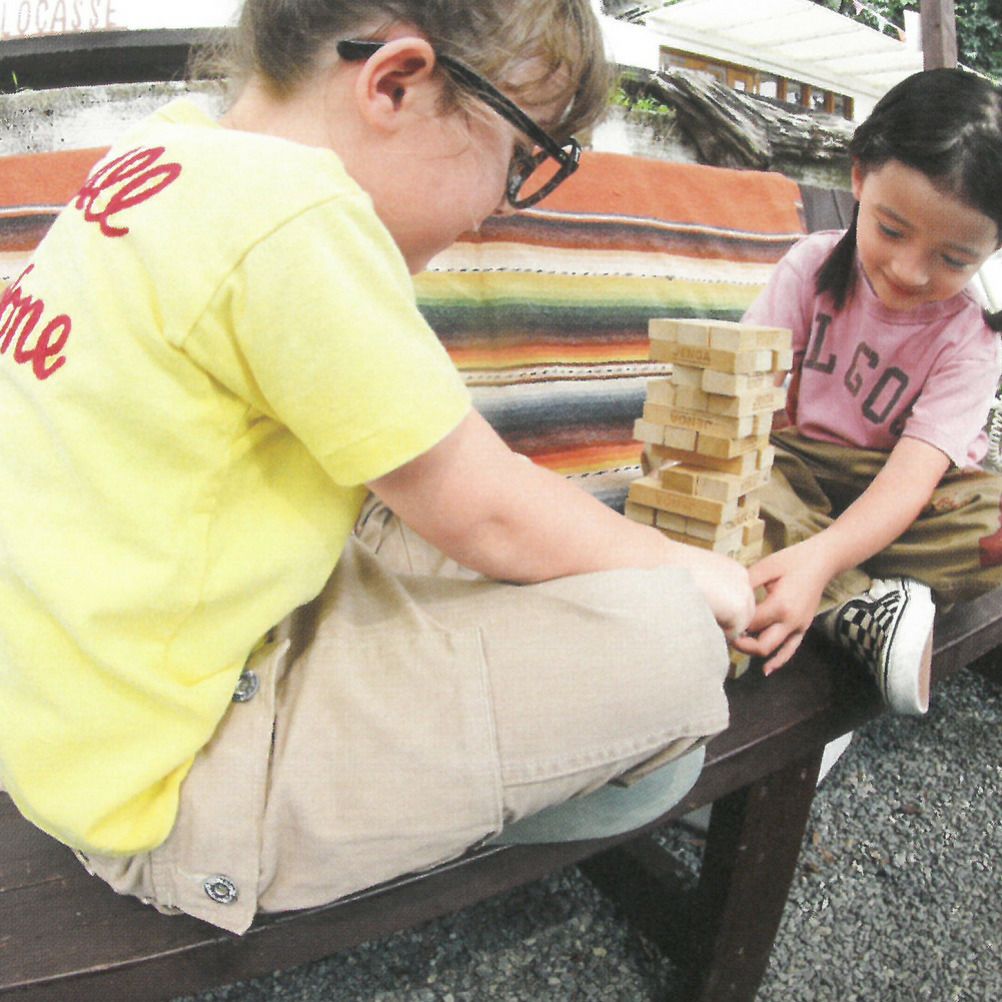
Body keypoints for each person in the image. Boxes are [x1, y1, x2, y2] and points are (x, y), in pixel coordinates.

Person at [0, 0, 754, 933]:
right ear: (395, 83)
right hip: (174, 786)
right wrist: (695, 570)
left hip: (74, 724)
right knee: (673, 640)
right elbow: (486, 512)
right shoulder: (294, 215)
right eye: (521, 159)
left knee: (442, 531)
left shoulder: (159, 155)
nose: (498, 207)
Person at [734, 68, 1002, 717]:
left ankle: (817, 574)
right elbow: (744, 394)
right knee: (733, 471)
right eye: (892, 230)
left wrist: (820, 554)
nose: (910, 271)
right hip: (801, 469)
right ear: (858, 177)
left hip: (909, 496)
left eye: (954, 259)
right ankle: (863, 607)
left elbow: (910, 482)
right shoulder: (810, 268)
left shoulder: (971, 338)